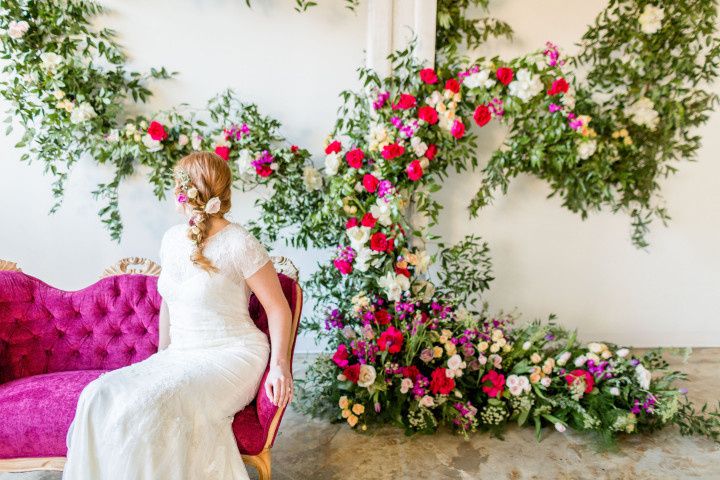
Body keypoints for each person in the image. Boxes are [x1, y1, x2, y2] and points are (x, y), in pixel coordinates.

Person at [63, 151, 294, 479]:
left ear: (189, 190)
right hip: (181, 355)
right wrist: (161, 361)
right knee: (96, 395)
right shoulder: (172, 240)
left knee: (156, 405)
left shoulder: (239, 242)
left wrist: (279, 367)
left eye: (176, 184)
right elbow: (169, 303)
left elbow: (277, 307)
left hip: (232, 354)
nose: (173, 190)